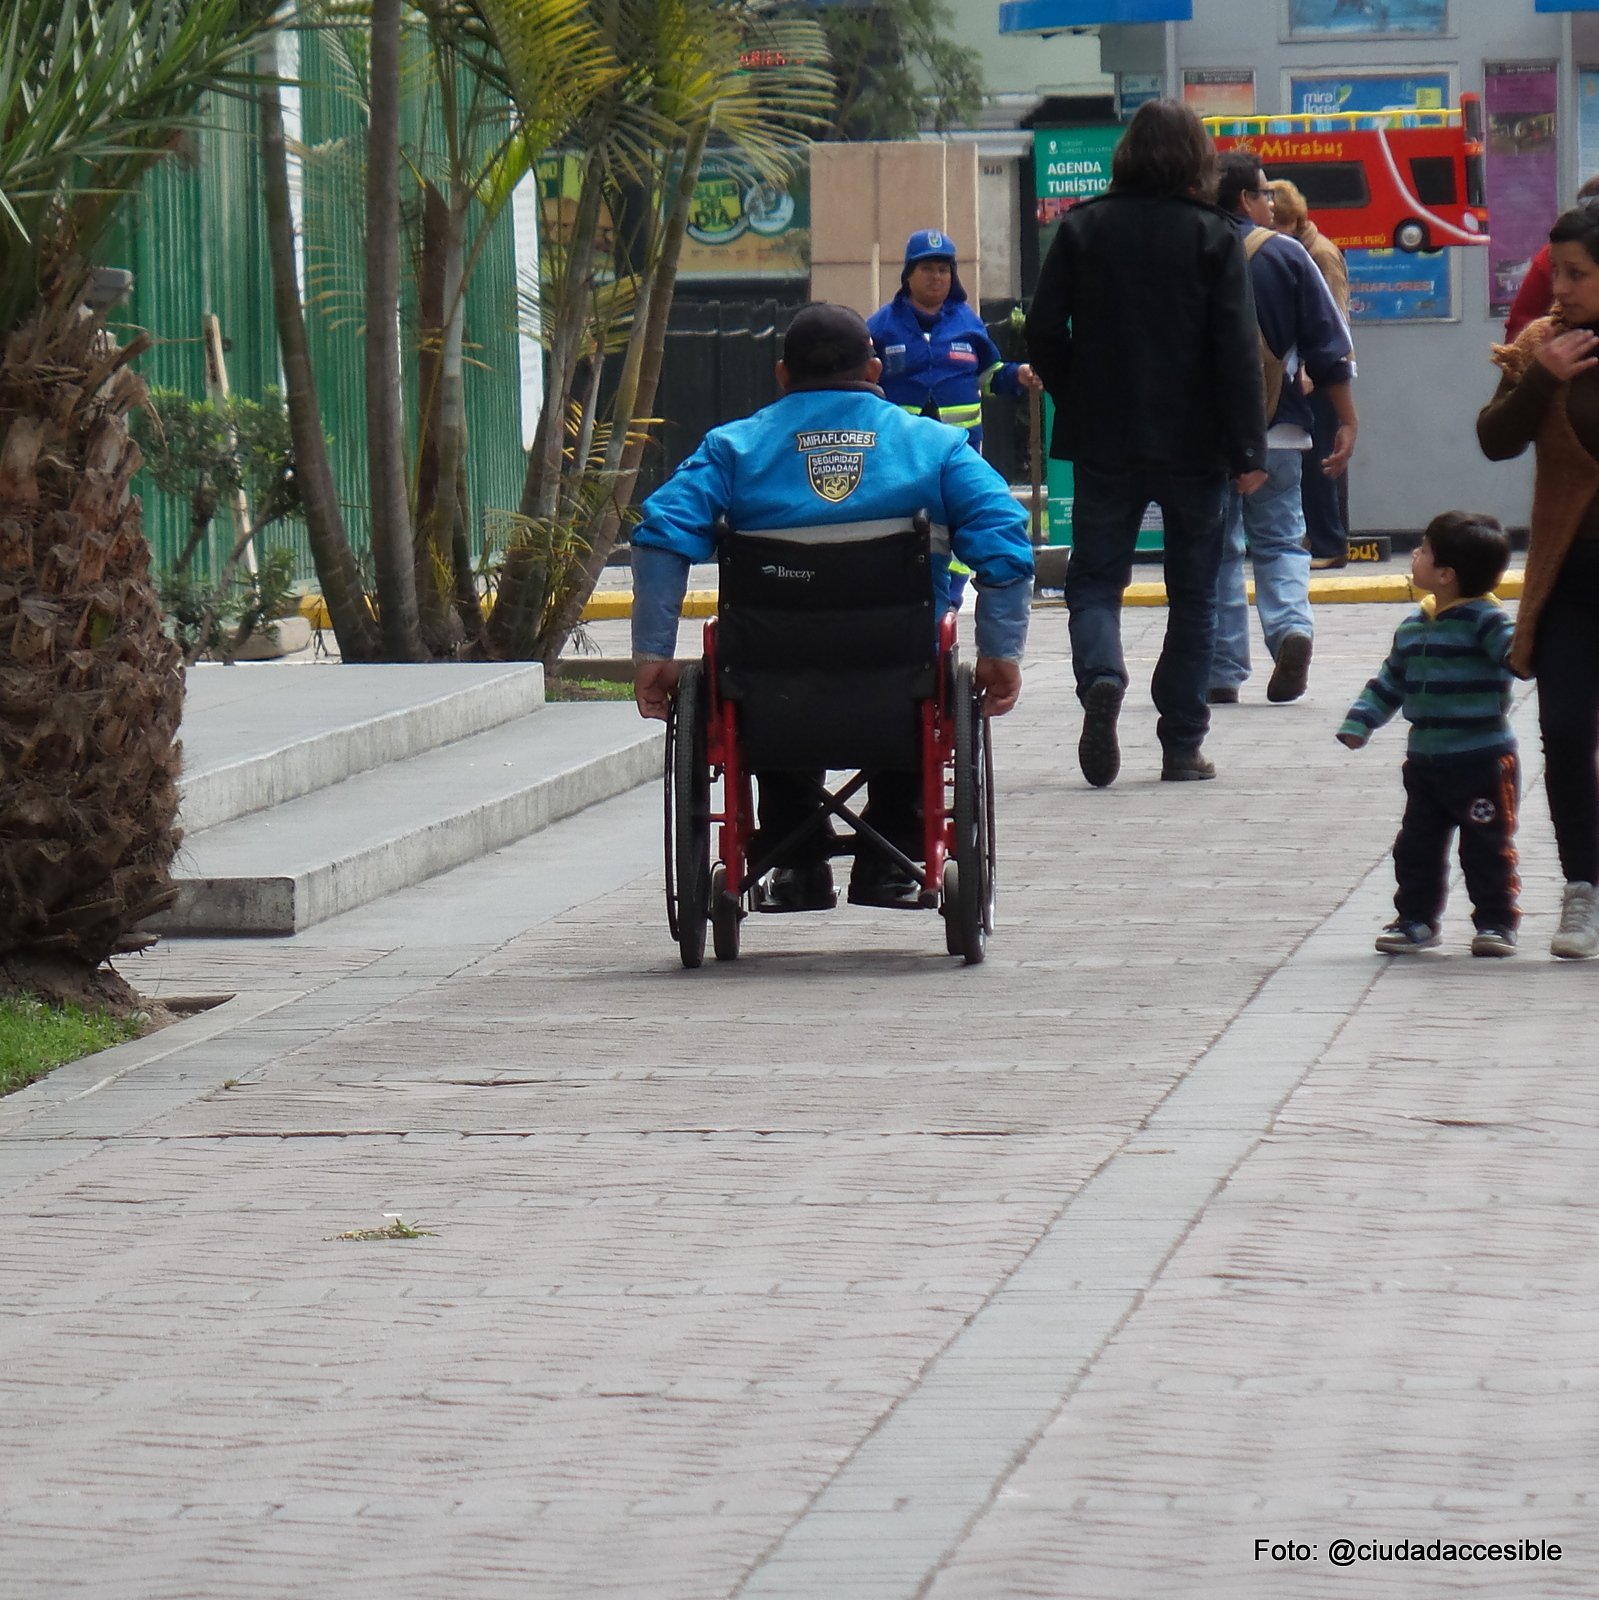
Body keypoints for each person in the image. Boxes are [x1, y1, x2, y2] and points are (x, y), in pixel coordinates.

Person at [631, 301, 1034, 911]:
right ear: (875, 370)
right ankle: (891, 857)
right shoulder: (936, 448)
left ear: (782, 374)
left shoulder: (733, 449)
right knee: (925, 680)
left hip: (769, 676)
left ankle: (795, 860)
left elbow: (660, 532)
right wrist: (1001, 653)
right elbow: (1005, 538)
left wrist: (652, 654)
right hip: (899, 671)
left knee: (755, 681)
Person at [1025, 99, 1267, 787]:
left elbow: (1042, 330)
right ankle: (1180, 742)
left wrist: (1078, 395)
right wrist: (1246, 450)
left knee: (1095, 581)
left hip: (1105, 437)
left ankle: (1101, 676)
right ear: (1198, 161)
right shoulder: (1214, 236)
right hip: (1196, 445)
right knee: (1193, 592)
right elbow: (1235, 353)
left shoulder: (1082, 228)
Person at [1479, 196, 1599, 958]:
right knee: (1560, 732)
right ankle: (1581, 890)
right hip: (1571, 577)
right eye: (1556, 271)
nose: (1559, 288)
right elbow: (1493, 439)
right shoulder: (1540, 344)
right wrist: (1537, 382)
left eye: (1578, 275)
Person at [1208, 151, 1357, 709]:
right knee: (1279, 539)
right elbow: (1328, 345)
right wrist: (1346, 417)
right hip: (1281, 426)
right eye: (1266, 193)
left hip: (1205, 434)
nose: (1271, 202)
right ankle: (1291, 628)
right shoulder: (1287, 254)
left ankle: (1222, 668)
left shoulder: (1191, 248)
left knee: (1218, 549)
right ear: (1246, 199)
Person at [1337, 512, 1519, 957]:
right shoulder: (1415, 626)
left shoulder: (1488, 622)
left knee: (1487, 846)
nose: (1414, 555)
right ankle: (1416, 919)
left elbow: (1520, 655)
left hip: (1482, 762)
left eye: (1422, 549)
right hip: (1426, 763)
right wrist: (1360, 721)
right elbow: (1389, 681)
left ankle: (1496, 922)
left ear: (1446, 575)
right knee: (1416, 846)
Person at [868, 229, 1043, 608]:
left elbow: (990, 374)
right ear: (909, 275)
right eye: (928, 269)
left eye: (945, 270)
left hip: (960, 448)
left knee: (962, 517)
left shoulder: (967, 323)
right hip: (902, 450)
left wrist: (1019, 375)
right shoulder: (882, 325)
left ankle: (951, 594)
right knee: (906, 520)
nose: (937, 277)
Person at [1269, 177, 1353, 570]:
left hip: (1318, 373)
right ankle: (1318, 537)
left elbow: (1333, 319)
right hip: (1305, 370)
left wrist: (1312, 370)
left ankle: (1329, 542)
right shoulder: (1299, 250)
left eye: (1279, 223)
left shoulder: (1319, 254)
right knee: (1312, 458)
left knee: (1321, 459)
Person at [1504, 175, 1599, 341]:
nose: (1559, 289)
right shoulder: (1558, 253)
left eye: (1576, 274)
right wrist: (1543, 365)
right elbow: (1517, 335)